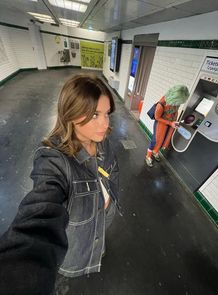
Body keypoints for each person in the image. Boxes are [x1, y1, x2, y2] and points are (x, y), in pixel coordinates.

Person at [0, 74, 120, 295]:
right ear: (71, 114)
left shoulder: (104, 140)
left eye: (106, 114)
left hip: (103, 219)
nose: (105, 124)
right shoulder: (54, 160)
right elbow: (39, 218)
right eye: (95, 115)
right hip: (75, 246)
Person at [145, 85, 189, 167]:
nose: (179, 104)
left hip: (170, 124)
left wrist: (175, 121)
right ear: (175, 98)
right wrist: (170, 123)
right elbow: (157, 117)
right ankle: (148, 156)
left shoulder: (176, 103)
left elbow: (175, 112)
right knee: (155, 140)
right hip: (160, 124)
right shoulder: (161, 104)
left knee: (164, 140)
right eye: (179, 102)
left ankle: (155, 152)